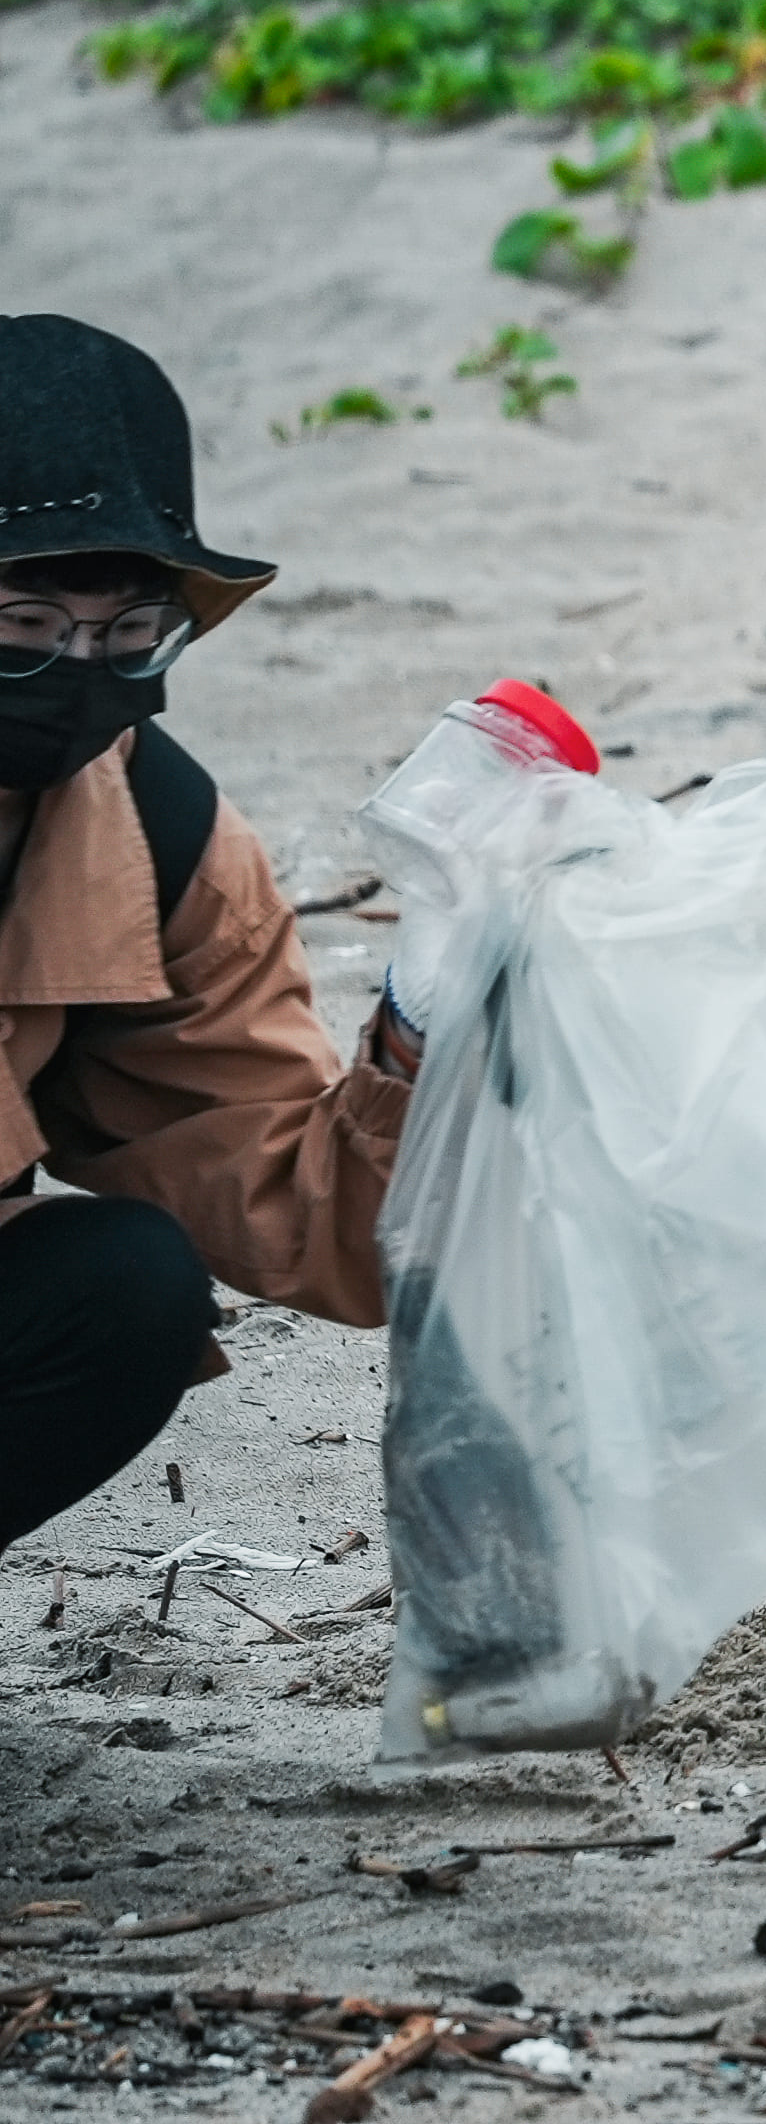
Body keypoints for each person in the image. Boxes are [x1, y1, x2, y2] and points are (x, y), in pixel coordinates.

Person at [0, 315, 429, 1550]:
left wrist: (428, 1022)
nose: (84, 670)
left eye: (129, 633)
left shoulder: (152, 834)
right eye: (24, 627)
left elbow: (295, 1200)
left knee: (124, 1286)